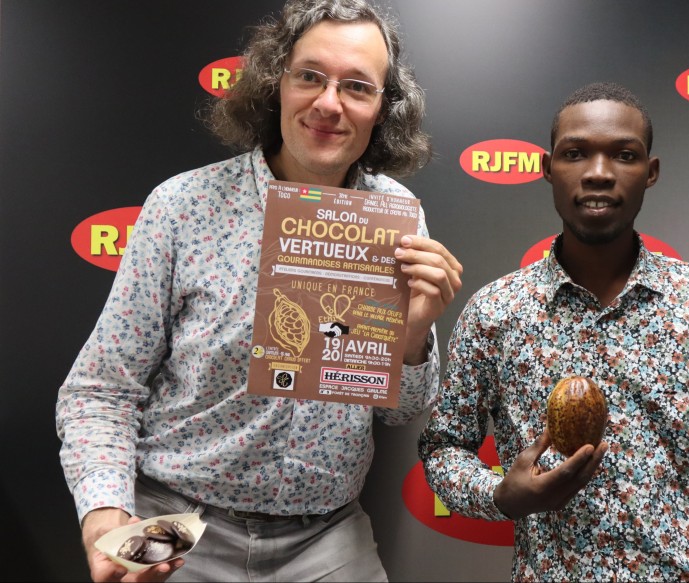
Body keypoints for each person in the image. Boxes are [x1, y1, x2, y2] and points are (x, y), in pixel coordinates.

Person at [56, 1, 463, 581]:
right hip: (179, 523)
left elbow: (400, 411)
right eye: (310, 76)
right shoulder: (183, 207)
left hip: (326, 535)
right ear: (277, 84)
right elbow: (101, 390)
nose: (329, 103)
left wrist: (414, 334)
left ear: (383, 107)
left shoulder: (396, 215)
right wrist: (104, 514)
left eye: (356, 86)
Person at [418, 82, 689, 582]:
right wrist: (500, 495)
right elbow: (443, 447)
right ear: (548, 168)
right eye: (575, 153)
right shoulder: (497, 312)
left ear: (650, 172)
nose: (598, 172)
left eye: (624, 155)